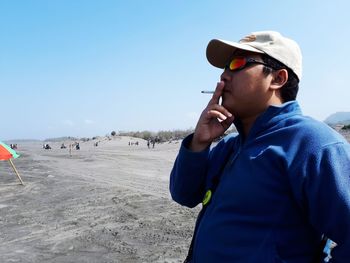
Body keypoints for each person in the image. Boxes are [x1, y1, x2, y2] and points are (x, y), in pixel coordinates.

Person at [169, 31, 350, 262]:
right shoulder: (228, 146)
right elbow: (184, 194)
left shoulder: (313, 144)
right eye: (224, 67)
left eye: (237, 63)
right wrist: (199, 143)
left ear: (277, 79)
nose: (223, 77)